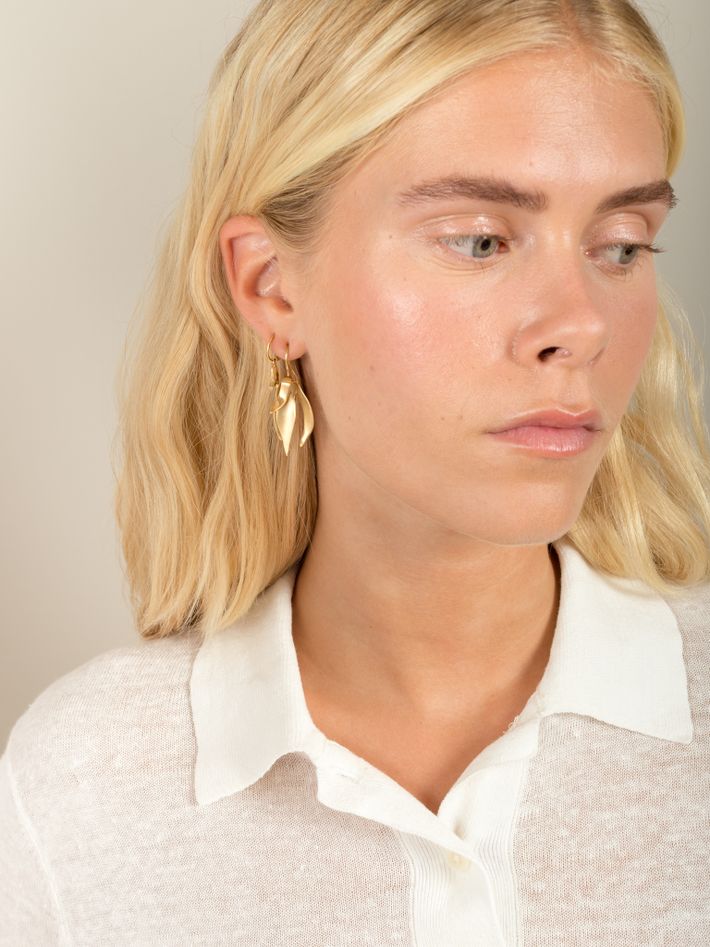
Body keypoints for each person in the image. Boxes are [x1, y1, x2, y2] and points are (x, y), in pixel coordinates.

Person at [2, 0, 709, 943]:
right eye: (481, 240)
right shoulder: (84, 788)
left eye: (620, 245)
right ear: (270, 286)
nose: (581, 324)